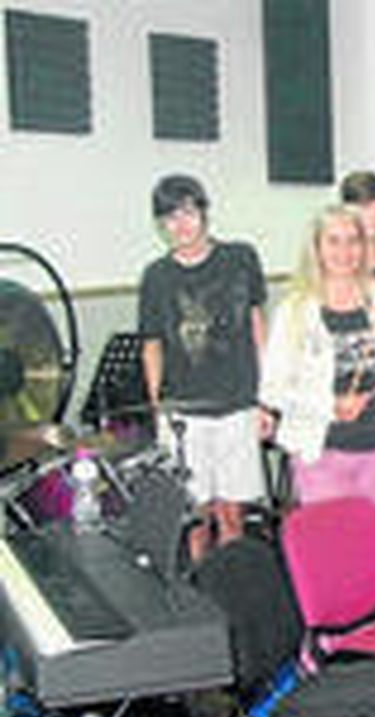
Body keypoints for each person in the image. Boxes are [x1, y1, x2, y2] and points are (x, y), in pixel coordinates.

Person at [137, 174, 267, 561]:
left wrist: (267, 399)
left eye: (188, 213)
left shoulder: (240, 258)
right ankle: (201, 587)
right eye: (170, 217)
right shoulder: (156, 277)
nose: (181, 224)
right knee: (195, 517)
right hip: (184, 412)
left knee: (232, 515)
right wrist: (158, 408)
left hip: (238, 404)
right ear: (160, 225)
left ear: (204, 214)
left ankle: (232, 586)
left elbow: (258, 327)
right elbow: (152, 345)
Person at [259, 205, 375, 507]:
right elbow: (274, 388)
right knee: (335, 538)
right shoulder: (294, 311)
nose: (344, 251)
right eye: (333, 241)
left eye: (352, 241)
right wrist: (329, 405)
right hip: (322, 454)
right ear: (317, 249)